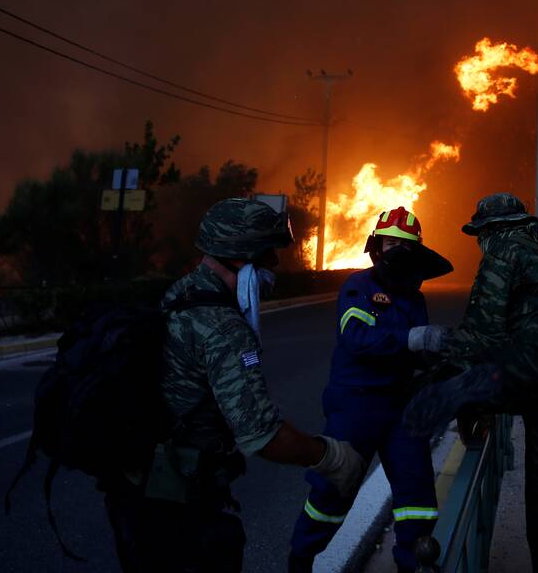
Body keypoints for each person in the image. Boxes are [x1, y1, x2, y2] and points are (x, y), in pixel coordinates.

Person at [105, 197, 367, 573]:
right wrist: (331, 458)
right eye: (268, 258)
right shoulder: (225, 329)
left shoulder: (180, 294)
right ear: (242, 258)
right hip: (179, 509)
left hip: (135, 493)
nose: (273, 271)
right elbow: (262, 435)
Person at [404, 193, 538, 573]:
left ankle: (474, 391)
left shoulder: (503, 250)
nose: (480, 242)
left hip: (537, 375)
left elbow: (483, 332)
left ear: (490, 228)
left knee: (471, 375)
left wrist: (444, 355)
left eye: (479, 234)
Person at [288, 206, 453, 573]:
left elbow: (418, 355)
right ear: (377, 247)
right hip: (355, 406)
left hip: (400, 408)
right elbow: (357, 338)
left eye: (404, 244)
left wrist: (443, 361)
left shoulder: (414, 298)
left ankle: (414, 563)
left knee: (418, 493)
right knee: (332, 492)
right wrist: (411, 338)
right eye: (391, 242)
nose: (396, 250)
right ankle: (300, 559)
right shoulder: (359, 286)